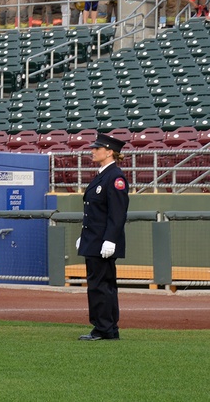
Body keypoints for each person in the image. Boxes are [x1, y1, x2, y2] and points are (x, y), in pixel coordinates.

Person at [77, 132, 129, 341]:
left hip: (102, 242)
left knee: (101, 286)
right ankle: (108, 327)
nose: (93, 151)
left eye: (97, 148)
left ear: (109, 152)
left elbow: (117, 213)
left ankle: (103, 328)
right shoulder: (103, 175)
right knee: (101, 285)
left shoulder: (115, 177)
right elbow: (94, 212)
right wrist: (84, 235)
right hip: (94, 239)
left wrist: (110, 239)